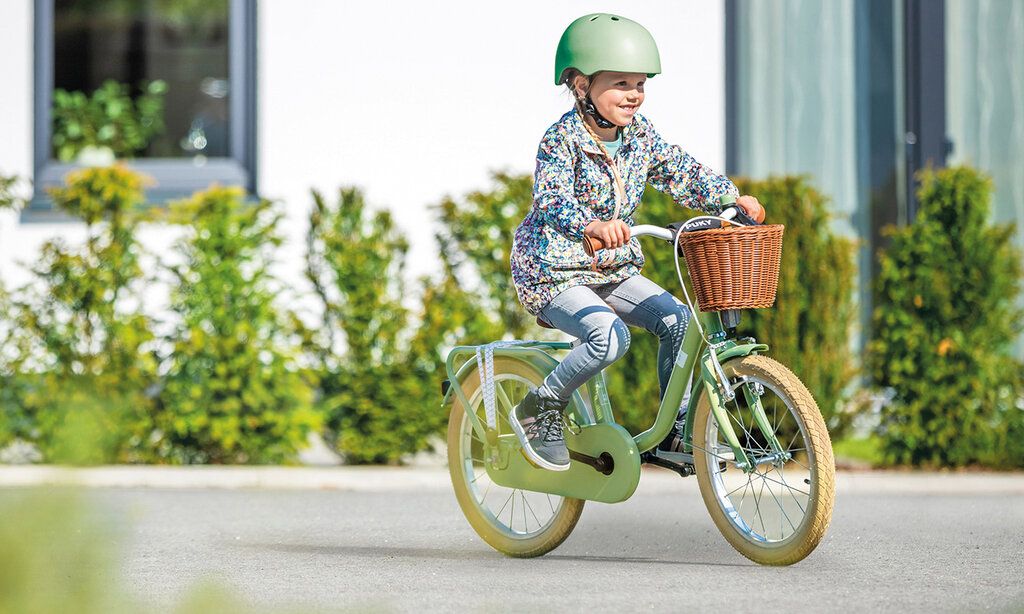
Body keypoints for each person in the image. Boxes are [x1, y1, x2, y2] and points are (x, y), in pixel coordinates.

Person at [508, 13, 765, 471]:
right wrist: (589, 224)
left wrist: (729, 196)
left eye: (641, 84)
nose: (634, 95)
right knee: (609, 338)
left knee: (680, 322)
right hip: (553, 271)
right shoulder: (560, 139)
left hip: (612, 268)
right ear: (582, 86)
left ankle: (678, 432)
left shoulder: (639, 135)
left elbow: (679, 169)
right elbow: (550, 197)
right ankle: (539, 407)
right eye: (621, 83)